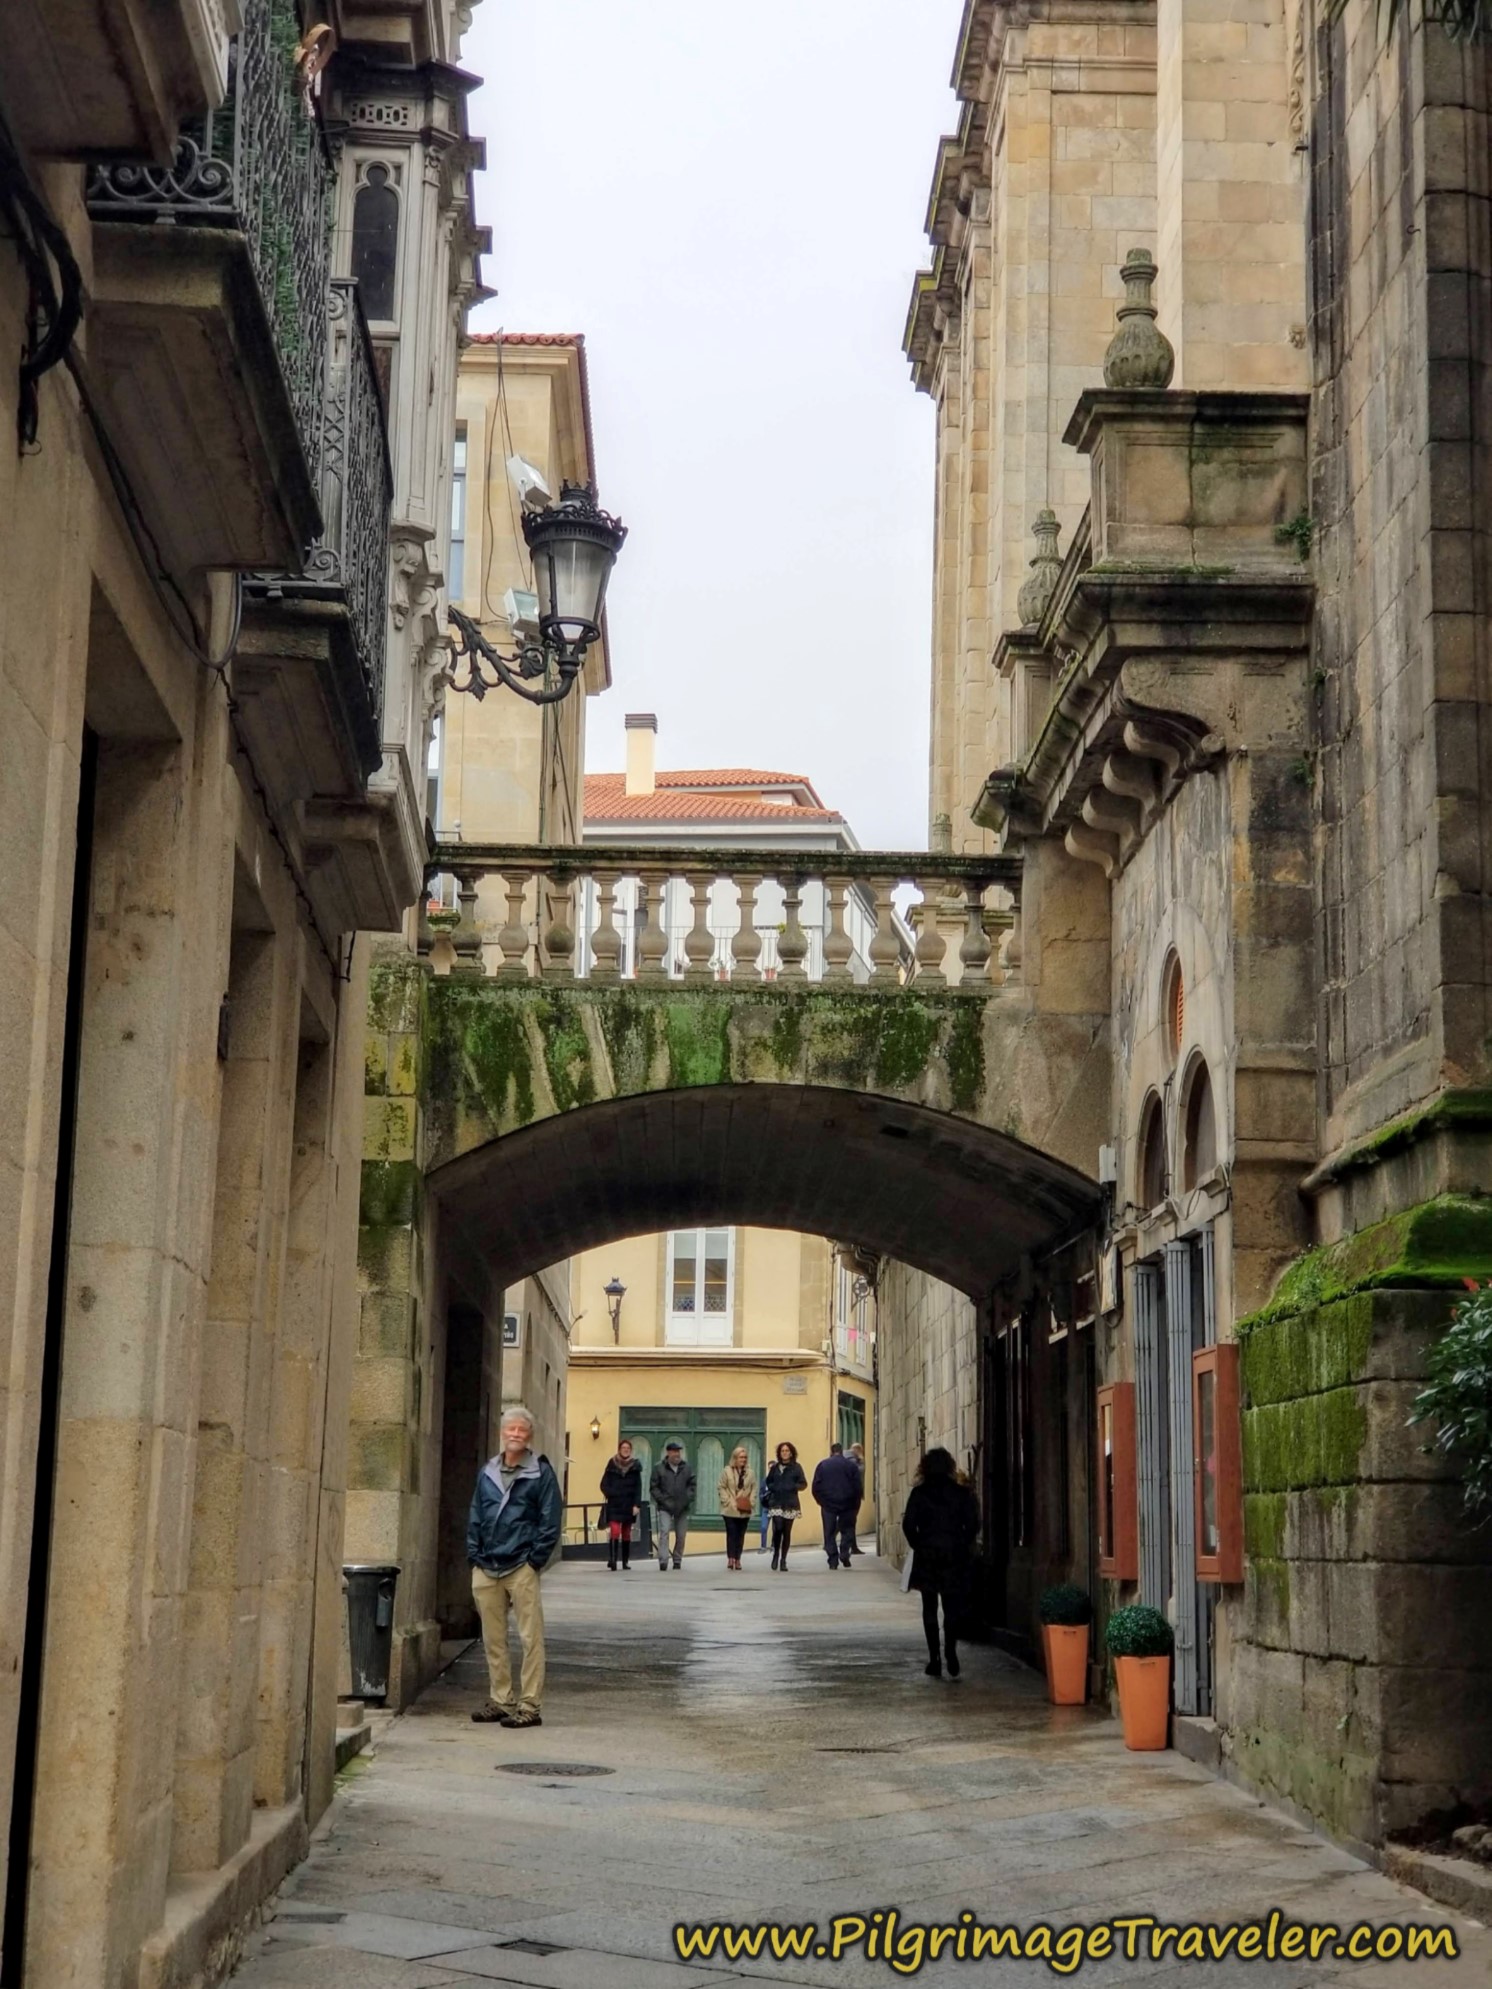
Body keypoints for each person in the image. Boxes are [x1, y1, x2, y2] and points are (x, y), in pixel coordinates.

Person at [467, 1404, 562, 1728]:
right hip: (487, 1565)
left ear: (529, 1436)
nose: (516, 1435)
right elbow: (476, 1515)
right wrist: (474, 1555)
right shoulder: (487, 1472)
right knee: (493, 1639)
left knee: (530, 1638)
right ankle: (501, 1699)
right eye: (511, 1429)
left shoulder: (541, 1473)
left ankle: (529, 1706)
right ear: (502, 1433)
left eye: (522, 1430)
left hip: (520, 1565)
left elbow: (550, 1520)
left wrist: (534, 1560)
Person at [901, 1446, 979, 1679]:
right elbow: (974, 1525)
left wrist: (919, 1544)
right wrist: (962, 1543)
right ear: (949, 1466)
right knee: (951, 1606)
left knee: (929, 1607)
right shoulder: (961, 1493)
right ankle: (951, 1651)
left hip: (927, 1554)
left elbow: (908, 1525)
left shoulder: (919, 1493)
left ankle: (934, 1657)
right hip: (954, 1555)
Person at [811, 1440, 863, 1570]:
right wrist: (855, 1504)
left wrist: (821, 1501)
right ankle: (844, 1553)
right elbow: (858, 1487)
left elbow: (816, 1486)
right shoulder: (851, 1466)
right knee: (847, 1530)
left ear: (831, 1451)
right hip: (848, 1503)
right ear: (842, 1452)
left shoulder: (823, 1465)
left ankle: (832, 1559)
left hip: (828, 1504)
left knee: (829, 1532)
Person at [762, 1440, 807, 1571]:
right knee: (778, 1528)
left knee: (786, 1531)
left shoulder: (796, 1467)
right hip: (776, 1501)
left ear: (791, 1453)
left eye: (787, 1451)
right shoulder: (775, 1468)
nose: (785, 1453)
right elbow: (768, 1482)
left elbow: (803, 1483)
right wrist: (774, 1487)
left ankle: (783, 1559)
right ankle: (775, 1554)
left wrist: (792, 1487)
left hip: (790, 1503)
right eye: (782, 1451)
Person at [650, 1439, 695, 1569]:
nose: (677, 1454)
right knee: (664, 1532)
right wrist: (662, 1500)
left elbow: (692, 1485)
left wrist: (687, 1498)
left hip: (682, 1506)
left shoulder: (686, 1468)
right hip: (665, 1506)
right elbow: (654, 1487)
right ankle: (663, 1560)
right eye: (674, 1452)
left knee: (681, 1535)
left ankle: (677, 1559)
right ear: (668, 1453)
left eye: (678, 1452)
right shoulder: (658, 1468)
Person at [600, 1437, 642, 1571]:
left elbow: (638, 1487)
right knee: (615, 1531)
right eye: (624, 1448)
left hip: (629, 1504)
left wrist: (637, 1505)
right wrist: (611, 1493)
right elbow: (603, 1484)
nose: (626, 1450)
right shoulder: (612, 1464)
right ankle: (613, 1560)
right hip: (615, 1504)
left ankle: (625, 1562)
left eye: (628, 1449)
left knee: (626, 1533)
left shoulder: (635, 1466)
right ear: (619, 1449)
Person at [717, 1445, 757, 1569]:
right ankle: (731, 1558)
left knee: (741, 1534)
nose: (743, 1460)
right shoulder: (727, 1471)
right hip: (729, 1508)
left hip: (744, 1508)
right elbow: (721, 1486)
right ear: (735, 1458)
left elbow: (754, 1488)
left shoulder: (750, 1473)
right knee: (731, 1533)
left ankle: (738, 1558)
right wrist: (727, 1501)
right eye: (741, 1457)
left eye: (745, 1457)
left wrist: (751, 1501)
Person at [845, 1441, 868, 1556]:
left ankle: (853, 1546)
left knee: (849, 1520)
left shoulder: (846, 1459)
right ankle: (851, 1546)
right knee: (850, 1521)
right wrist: (861, 1460)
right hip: (853, 1495)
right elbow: (859, 1473)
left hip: (848, 1494)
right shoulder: (854, 1461)